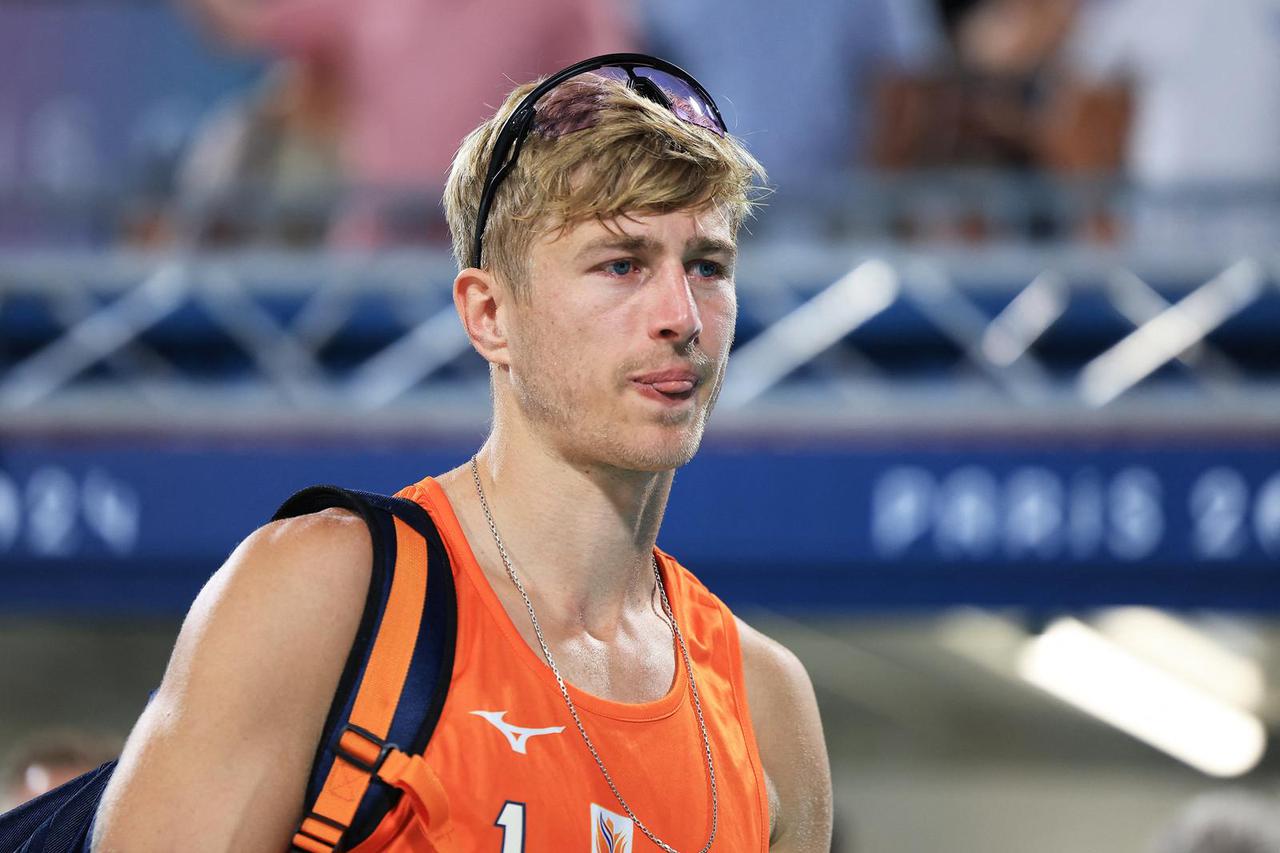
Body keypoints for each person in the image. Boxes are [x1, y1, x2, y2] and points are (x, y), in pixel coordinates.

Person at [92, 54, 833, 851]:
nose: (681, 316)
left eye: (707, 266)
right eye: (622, 264)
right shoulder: (325, 593)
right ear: (488, 314)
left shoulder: (764, 701)